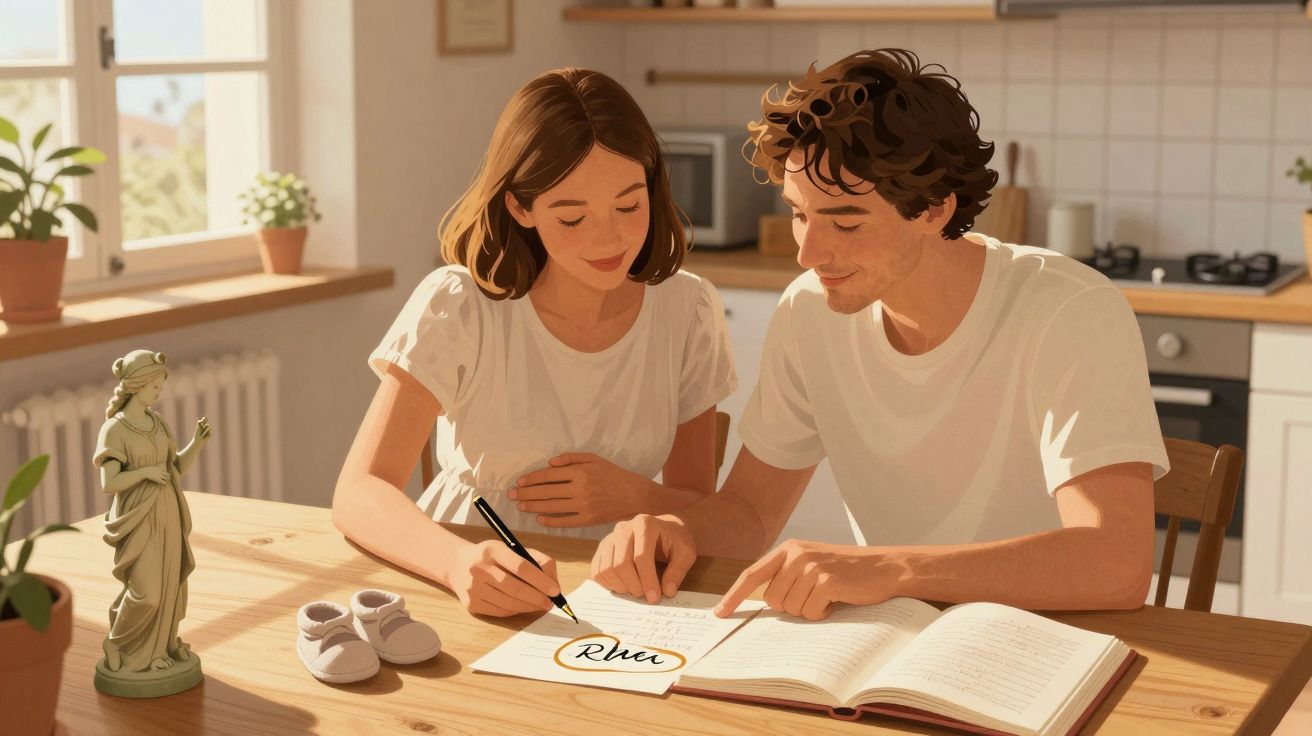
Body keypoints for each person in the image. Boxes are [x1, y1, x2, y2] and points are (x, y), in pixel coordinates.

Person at [591, 49, 1170, 620]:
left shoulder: (1068, 310)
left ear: (935, 209)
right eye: (799, 214)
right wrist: (675, 528)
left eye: (845, 221)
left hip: (1059, 643)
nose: (807, 253)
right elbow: (749, 512)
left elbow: (1115, 564)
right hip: (900, 639)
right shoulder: (810, 313)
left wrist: (892, 569)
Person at [332, 68, 737, 619]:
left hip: (627, 592)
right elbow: (360, 490)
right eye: (572, 217)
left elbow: (702, 510)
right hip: (465, 580)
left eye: (629, 205)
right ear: (522, 208)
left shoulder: (687, 310)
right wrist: (456, 563)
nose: (610, 238)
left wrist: (638, 498)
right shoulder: (460, 305)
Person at [94, 350, 212, 680]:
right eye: (155, 387)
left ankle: (158, 651)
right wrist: (144, 473)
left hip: (167, 511)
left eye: (160, 387)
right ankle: (117, 643)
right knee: (147, 593)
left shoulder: (157, 422)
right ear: (138, 384)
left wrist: (196, 444)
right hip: (138, 516)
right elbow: (109, 482)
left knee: (171, 585)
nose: (158, 393)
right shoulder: (114, 430)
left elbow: (173, 469)